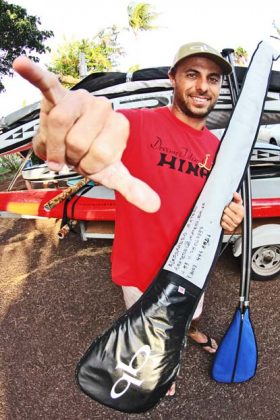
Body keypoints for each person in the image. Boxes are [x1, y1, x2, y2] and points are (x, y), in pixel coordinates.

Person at [13, 41, 244, 396]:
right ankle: (164, 370)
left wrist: (232, 217)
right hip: (141, 268)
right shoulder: (135, 124)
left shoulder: (216, 148)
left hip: (192, 268)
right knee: (148, 331)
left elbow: (219, 207)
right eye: (192, 75)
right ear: (172, 79)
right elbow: (85, 135)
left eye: (212, 79)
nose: (202, 86)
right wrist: (55, 137)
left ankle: (189, 333)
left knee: (188, 315)